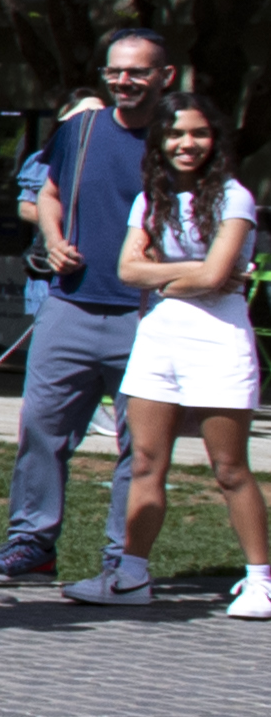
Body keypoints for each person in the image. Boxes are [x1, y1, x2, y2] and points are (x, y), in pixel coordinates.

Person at [0, 32, 175, 599]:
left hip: (147, 311)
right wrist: (54, 236)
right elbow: (49, 192)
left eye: (138, 72)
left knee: (137, 447)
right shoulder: (80, 130)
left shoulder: (179, 138)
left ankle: (122, 558)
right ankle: (32, 544)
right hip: (71, 301)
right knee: (41, 427)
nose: (124, 81)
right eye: (116, 71)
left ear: (164, 75)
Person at [107, 91, 265, 619]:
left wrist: (170, 276)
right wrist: (187, 277)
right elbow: (127, 271)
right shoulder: (149, 200)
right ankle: (130, 575)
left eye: (198, 133)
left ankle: (261, 581)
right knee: (147, 461)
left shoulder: (234, 198)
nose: (186, 144)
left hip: (219, 340)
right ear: (160, 142)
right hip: (159, 340)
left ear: (215, 140)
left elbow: (219, 275)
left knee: (228, 467)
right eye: (175, 134)